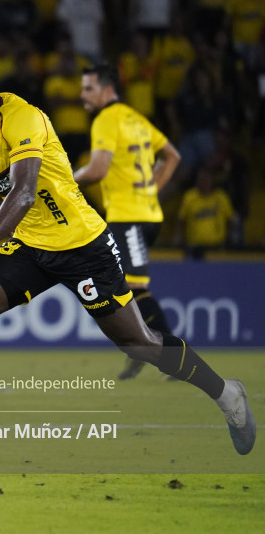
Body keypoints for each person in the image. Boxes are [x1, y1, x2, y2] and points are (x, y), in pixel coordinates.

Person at [0, 57, 255, 474]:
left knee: (139, 343)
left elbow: (21, 195)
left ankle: (227, 395)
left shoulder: (22, 119)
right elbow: (17, 201)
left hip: (81, 244)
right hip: (31, 243)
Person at [74, 63, 181, 380]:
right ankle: (139, 350)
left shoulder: (107, 119)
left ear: (108, 90)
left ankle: (174, 356)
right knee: (118, 289)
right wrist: (152, 191)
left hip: (129, 217)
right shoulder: (136, 118)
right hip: (140, 214)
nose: (82, 94)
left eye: (88, 88)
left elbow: (96, 170)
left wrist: (64, 180)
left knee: (135, 290)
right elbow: (171, 156)